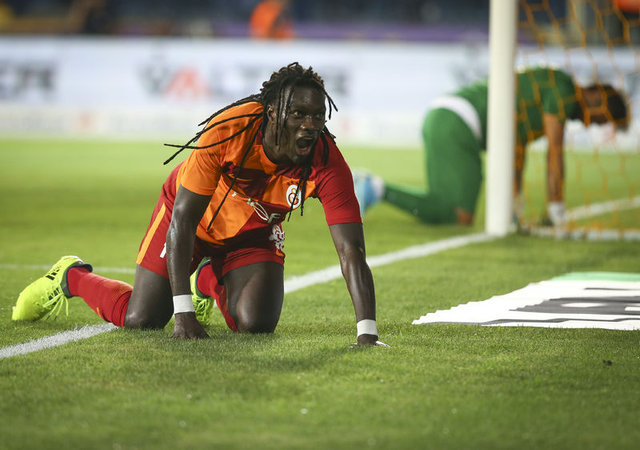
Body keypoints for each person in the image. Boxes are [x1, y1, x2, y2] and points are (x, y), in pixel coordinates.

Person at [12, 62, 387, 346]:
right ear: (273, 112)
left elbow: (350, 250)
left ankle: (208, 279)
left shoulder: (326, 161)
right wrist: (183, 312)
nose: (309, 125)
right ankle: (72, 276)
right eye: (298, 114)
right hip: (193, 223)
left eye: (318, 116)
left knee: (255, 325)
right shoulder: (229, 131)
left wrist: (366, 332)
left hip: (252, 234)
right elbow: (183, 219)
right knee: (142, 318)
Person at [354, 67, 630, 226]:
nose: (590, 124)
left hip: (446, 117)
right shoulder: (564, 90)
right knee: (459, 214)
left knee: (448, 207)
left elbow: (515, 149)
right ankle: (374, 188)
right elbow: (554, 153)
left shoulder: (545, 94)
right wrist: (556, 209)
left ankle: (373, 189)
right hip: (458, 121)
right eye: (599, 119)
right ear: (596, 94)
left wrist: (514, 206)